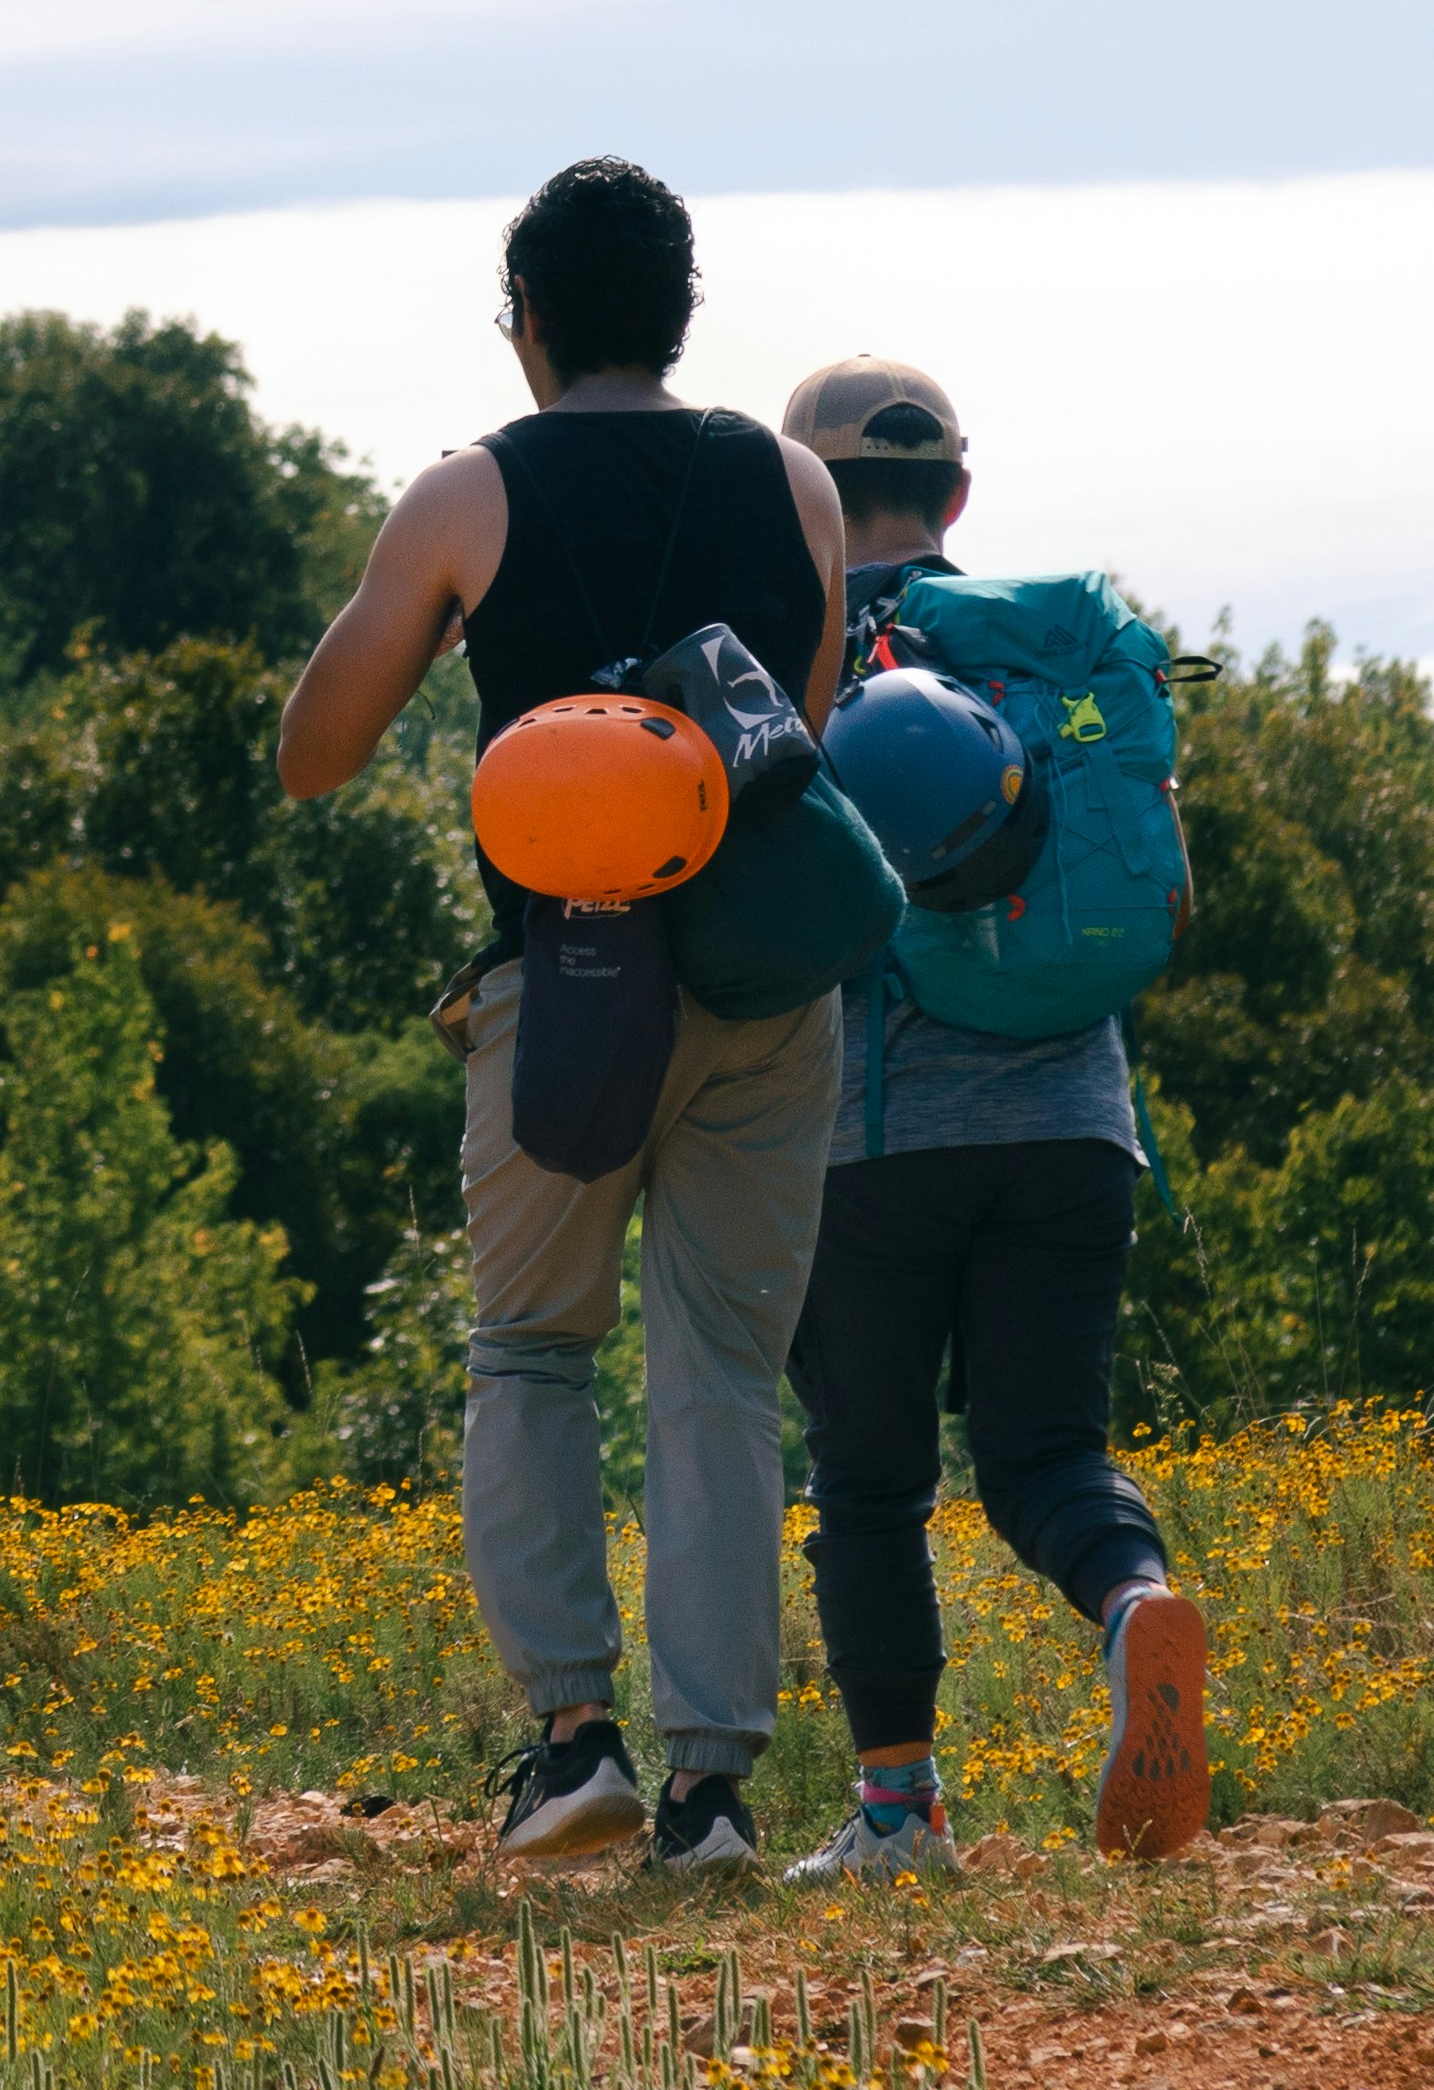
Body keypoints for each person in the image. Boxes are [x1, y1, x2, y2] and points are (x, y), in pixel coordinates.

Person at [273, 159, 847, 1870]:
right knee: (725, 1375)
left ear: (526, 321)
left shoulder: (468, 495)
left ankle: (572, 1738)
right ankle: (713, 1792)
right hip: (759, 985)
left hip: (570, 984)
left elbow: (316, 755)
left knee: (533, 1349)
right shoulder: (797, 484)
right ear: (680, 317)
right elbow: (792, 735)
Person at [767, 357, 1211, 1877]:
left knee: (871, 1481)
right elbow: (1164, 884)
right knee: (1045, 1458)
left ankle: (900, 1816)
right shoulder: (1066, 662)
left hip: (877, 1143)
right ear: (958, 494)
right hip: (1077, 1121)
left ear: (804, 501)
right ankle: (1136, 1603)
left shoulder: (801, 667)